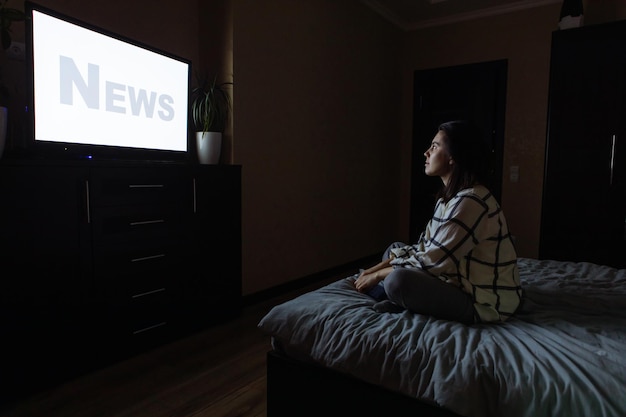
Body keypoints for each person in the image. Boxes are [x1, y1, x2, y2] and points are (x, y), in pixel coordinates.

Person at [354, 120, 522, 324]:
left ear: (453, 156)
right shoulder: (448, 199)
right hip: (454, 278)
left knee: (398, 280)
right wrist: (373, 271)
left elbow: (431, 261)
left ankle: (397, 298)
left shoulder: (471, 201)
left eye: (434, 146)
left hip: (481, 301)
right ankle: (401, 300)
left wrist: (378, 275)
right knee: (395, 248)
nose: (426, 153)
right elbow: (423, 249)